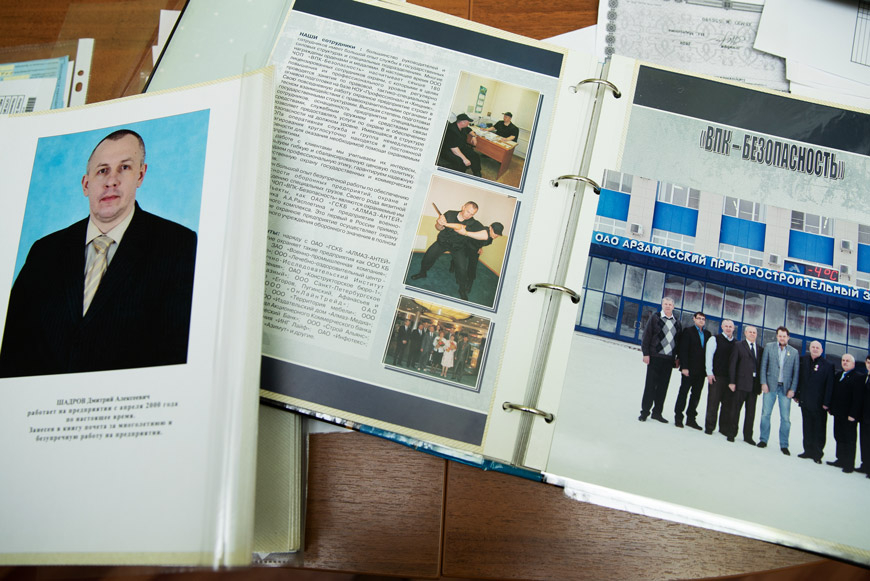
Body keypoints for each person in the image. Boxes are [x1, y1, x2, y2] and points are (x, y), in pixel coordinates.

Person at [0, 129, 197, 378]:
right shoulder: (44, 251)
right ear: (86, 184)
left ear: (140, 175)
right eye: (102, 170)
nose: (111, 181)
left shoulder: (179, 245)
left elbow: (177, 351)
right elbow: (12, 346)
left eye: (124, 168)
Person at [410, 202, 482, 300]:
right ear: (463, 207)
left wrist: (480, 247)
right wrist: (439, 223)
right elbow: (438, 228)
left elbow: (481, 234)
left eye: (472, 214)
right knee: (428, 256)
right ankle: (423, 272)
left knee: (462, 268)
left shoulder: (472, 222)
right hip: (443, 242)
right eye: (468, 211)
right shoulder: (450, 214)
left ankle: (462, 289)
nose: (468, 215)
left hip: (458, 247)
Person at [638, 297, 681, 423]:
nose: (667, 306)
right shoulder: (655, 318)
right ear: (662, 305)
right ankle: (644, 412)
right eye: (665, 304)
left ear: (673, 307)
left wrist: (677, 358)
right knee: (650, 386)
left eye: (670, 304)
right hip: (655, 357)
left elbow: (678, 341)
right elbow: (646, 336)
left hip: (668, 359)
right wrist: (646, 353)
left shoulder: (677, 322)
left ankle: (657, 413)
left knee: (663, 387)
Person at [757, 326, 800, 455]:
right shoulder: (769, 347)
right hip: (770, 386)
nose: (782, 338)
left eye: (784, 336)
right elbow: (763, 366)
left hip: (785, 389)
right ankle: (763, 440)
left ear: (788, 337)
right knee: (765, 414)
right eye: (780, 336)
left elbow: (796, 373)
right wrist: (763, 383)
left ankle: (784, 445)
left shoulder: (794, 352)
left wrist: (792, 389)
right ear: (777, 336)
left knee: (785, 418)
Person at [795, 341, 834, 464]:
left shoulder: (828, 365)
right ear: (809, 348)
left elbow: (829, 386)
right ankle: (807, 451)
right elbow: (799, 378)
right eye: (813, 347)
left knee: (819, 429)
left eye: (818, 348)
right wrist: (797, 395)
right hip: (805, 400)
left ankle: (817, 454)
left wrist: (826, 402)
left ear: (822, 350)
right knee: (807, 427)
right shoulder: (803, 360)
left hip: (819, 404)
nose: (815, 349)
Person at [827, 353, 864, 474]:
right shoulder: (839, 375)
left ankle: (849, 464)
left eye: (847, 361)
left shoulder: (858, 377)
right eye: (843, 360)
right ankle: (840, 459)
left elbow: (858, 398)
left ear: (853, 363)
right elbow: (834, 392)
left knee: (849, 439)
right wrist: (831, 408)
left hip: (849, 415)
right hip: (838, 413)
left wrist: (853, 414)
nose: (845, 362)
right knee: (839, 436)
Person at [674, 312, 711, 429]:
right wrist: (684, 367)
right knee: (683, 393)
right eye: (699, 318)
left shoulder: (707, 334)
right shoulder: (688, 331)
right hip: (689, 369)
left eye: (703, 319)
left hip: (701, 371)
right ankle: (678, 417)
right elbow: (683, 350)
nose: (701, 320)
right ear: (694, 319)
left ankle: (691, 419)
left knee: (696, 395)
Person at [726, 326, 763, 444]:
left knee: (751, 413)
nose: (752, 334)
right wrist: (732, 382)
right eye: (750, 332)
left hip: (753, 386)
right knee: (735, 410)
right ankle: (731, 433)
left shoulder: (760, 349)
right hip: (740, 384)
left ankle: (748, 436)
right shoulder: (738, 345)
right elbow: (732, 365)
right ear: (745, 333)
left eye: (754, 332)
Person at [704, 319, 736, 435]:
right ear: (722, 327)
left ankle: (723, 428)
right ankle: (709, 427)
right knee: (713, 403)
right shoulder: (714, 339)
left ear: (733, 328)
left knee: (727, 405)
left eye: (730, 326)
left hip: (730, 379)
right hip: (716, 376)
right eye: (726, 326)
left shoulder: (736, 343)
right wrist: (709, 372)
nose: (728, 328)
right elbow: (709, 356)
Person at [858, 356, 870, 477]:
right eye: (868, 362)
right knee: (864, 441)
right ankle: (865, 464)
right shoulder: (864, 377)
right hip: (863, 416)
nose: (869, 365)